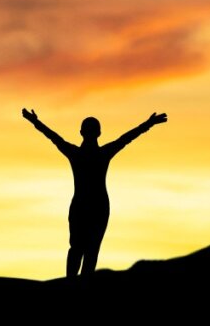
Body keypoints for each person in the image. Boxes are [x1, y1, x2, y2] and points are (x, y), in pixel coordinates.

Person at [21, 106, 166, 278]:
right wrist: (149, 124)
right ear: (99, 133)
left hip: (90, 206)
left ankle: (74, 284)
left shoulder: (79, 153)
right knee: (84, 249)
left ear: (82, 132)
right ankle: (74, 284)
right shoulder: (99, 153)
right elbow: (126, 138)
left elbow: (53, 137)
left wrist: (35, 121)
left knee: (84, 249)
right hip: (93, 206)